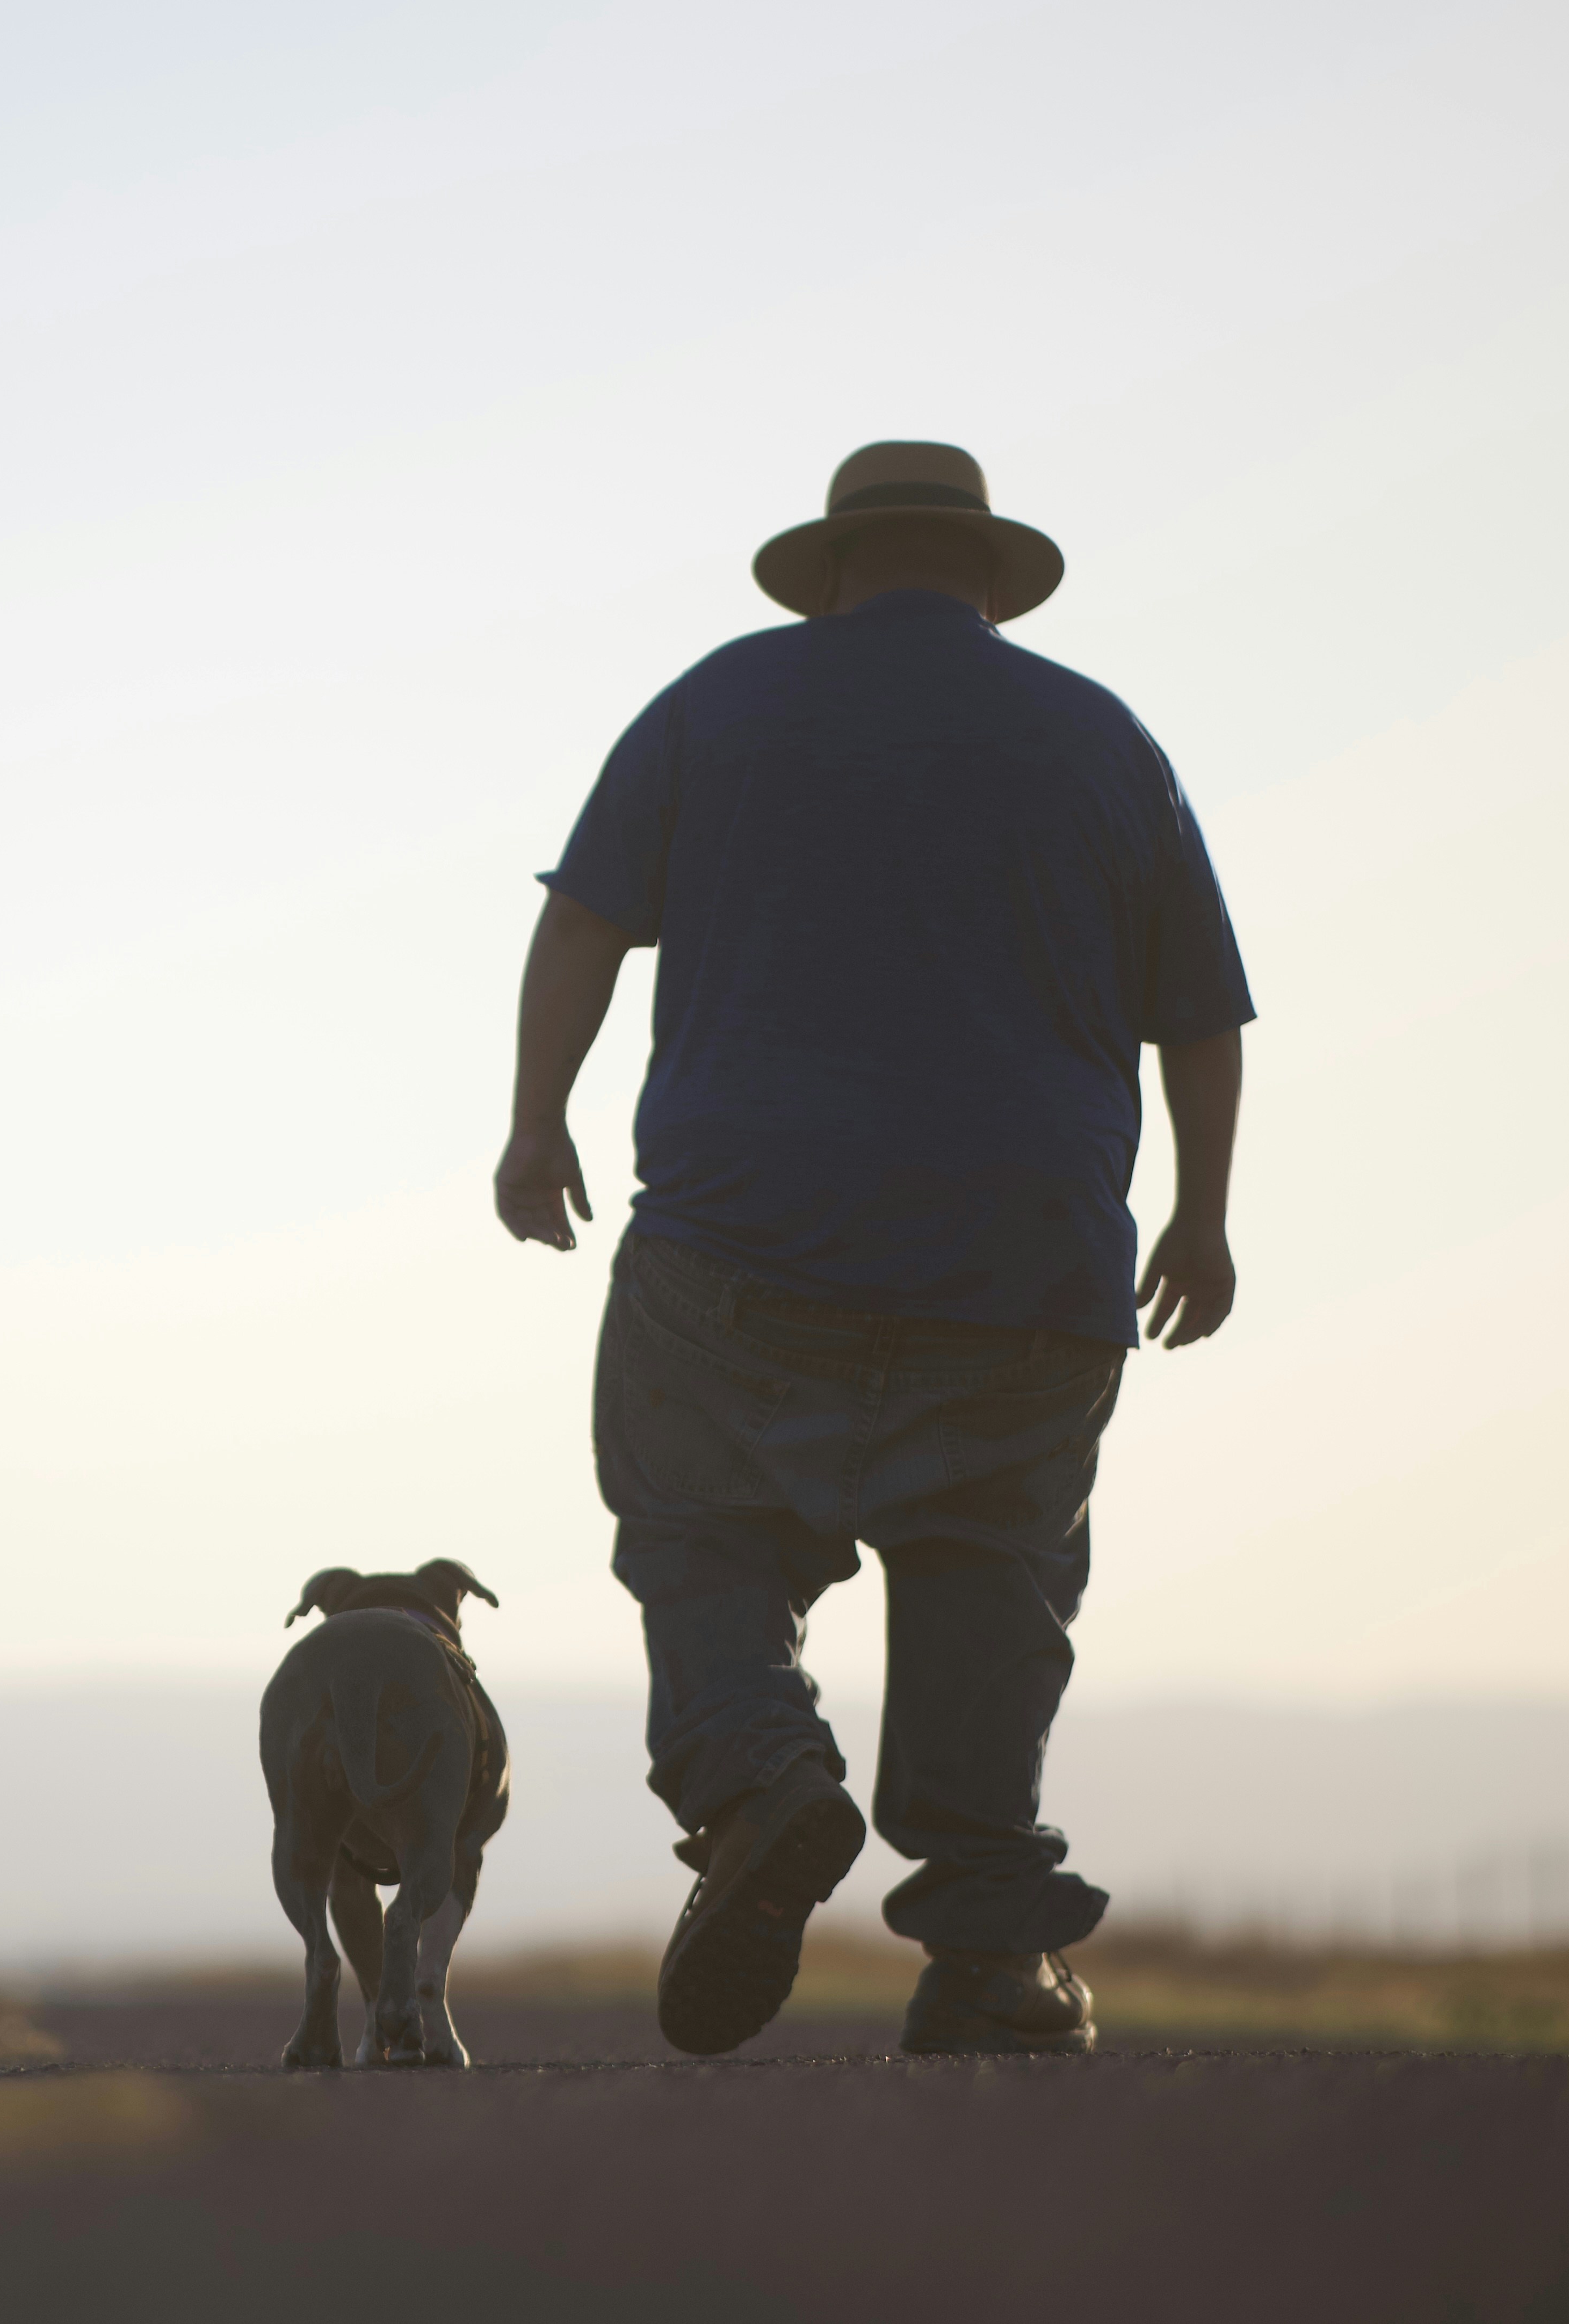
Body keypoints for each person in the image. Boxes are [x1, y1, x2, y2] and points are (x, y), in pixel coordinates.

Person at [494, 441, 1251, 2058]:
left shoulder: (718, 703)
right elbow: (1198, 1009)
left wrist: (535, 1121)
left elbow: (581, 923)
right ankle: (986, 1957)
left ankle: (763, 1779)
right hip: (1027, 1267)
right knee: (990, 1585)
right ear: (989, 581)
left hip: (740, 1242)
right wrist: (1201, 1215)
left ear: (832, 570)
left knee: (702, 1529)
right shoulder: (1101, 739)